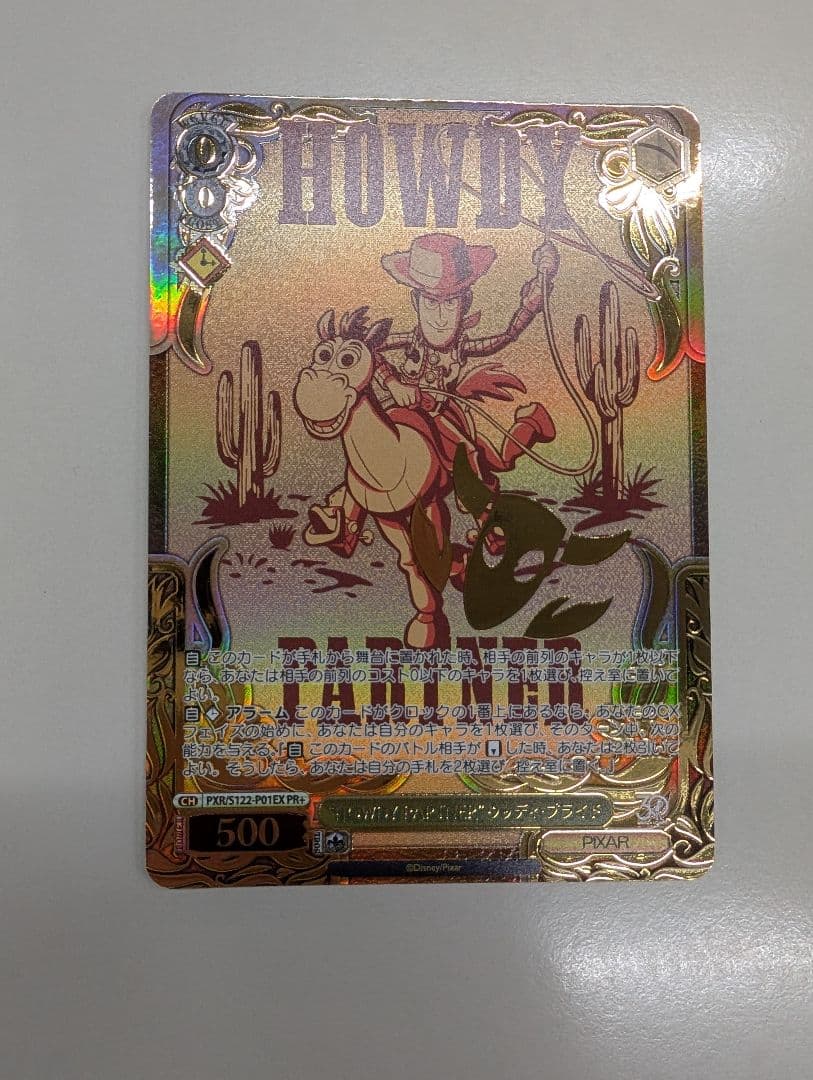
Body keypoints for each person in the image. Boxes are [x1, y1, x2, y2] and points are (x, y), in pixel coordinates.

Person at [305, 232, 559, 556]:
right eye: (430, 302)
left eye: (450, 303)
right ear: (416, 302)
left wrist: (537, 291)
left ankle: (493, 513)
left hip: (441, 415)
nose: (439, 316)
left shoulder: (462, 346)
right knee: (369, 450)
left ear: (464, 303)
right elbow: (366, 350)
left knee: (477, 458)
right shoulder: (405, 339)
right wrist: (393, 383)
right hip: (400, 411)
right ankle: (343, 523)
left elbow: (506, 336)